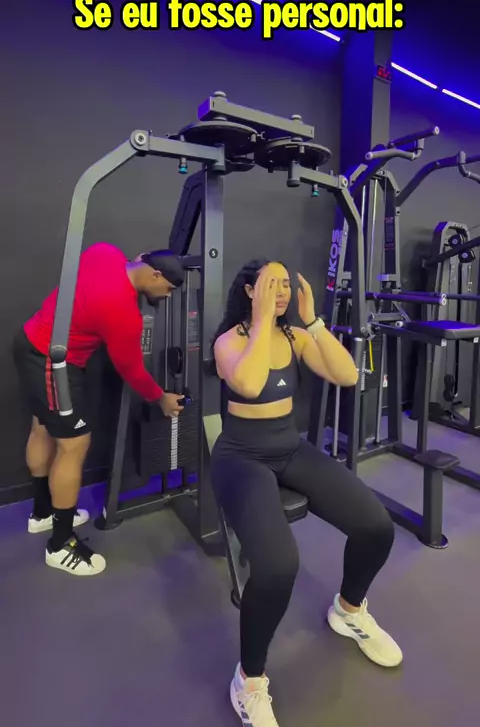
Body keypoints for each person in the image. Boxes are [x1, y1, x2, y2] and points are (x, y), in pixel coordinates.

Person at [210, 259, 402, 727]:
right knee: (278, 566)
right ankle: (248, 681)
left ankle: (348, 611)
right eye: (270, 284)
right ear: (250, 290)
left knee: (376, 526)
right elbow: (249, 383)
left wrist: (313, 321)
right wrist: (261, 320)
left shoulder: (295, 337)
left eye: (285, 284)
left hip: (290, 448)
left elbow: (348, 375)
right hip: (241, 456)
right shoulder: (229, 341)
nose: (281, 292)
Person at [13, 243, 186, 577]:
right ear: (154, 275)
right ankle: (60, 544)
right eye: (168, 288)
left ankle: (42, 512)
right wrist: (160, 398)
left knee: (42, 427)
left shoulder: (104, 252)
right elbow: (132, 371)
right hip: (51, 360)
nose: (167, 296)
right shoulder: (123, 312)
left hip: (31, 341)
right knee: (75, 444)